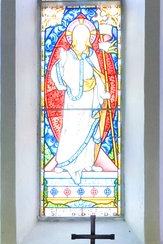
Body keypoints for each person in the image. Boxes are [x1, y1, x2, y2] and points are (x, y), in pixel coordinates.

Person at [44, 18, 117, 184]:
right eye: (79, 34)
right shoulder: (68, 55)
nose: (82, 38)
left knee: (88, 129)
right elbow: (59, 76)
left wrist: (102, 92)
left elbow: (98, 74)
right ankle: (64, 162)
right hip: (73, 100)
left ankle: (86, 164)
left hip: (91, 98)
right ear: (73, 37)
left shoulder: (91, 55)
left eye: (85, 34)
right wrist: (62, 65)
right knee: (70, 130)